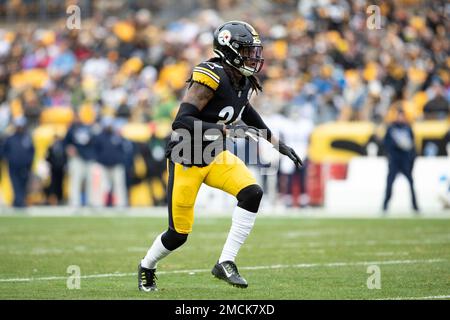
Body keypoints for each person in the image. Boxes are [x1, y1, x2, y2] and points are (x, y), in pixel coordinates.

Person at [138, 21, 303, 292]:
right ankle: (147, 266)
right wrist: (222, 129)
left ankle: (225, 261)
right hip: (187, 157)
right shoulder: (210, 75)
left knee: (252, 192)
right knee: (178, 235)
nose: (254, 57)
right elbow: (181, 121)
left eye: (254, 52)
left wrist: (276, 143)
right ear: (230, 50)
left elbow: (246, 111)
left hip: (215, 156)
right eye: (248, 52)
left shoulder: (243, 80)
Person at [382, 108, 419, 213]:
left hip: (405, 160)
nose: (401, 118)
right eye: (399, 116)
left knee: (411, 183)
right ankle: (385, 205)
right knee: (389, 183)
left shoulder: (408, 128)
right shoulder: (391, 128)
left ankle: (415, 205)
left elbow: (412, 146)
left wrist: (411, 159)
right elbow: (385, 144)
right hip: (394, 160)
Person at [93, 117, 128, 207]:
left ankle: (121, 204)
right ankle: (99, 204)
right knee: (101, 186)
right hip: (103, 165)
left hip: (116, 164)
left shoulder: (117, 136)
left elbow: (124, 148)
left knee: (119, 185)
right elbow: (95, 150)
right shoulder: (99, 137)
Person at [63, 112, 96, 207]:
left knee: (90, 182)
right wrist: (68, 148)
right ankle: (74, 202)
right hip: (77, 158)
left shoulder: (88, 128)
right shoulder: (71, 129)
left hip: (89, 158)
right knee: (75, 180)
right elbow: (65, 143)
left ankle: (91, 202)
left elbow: (94, 143)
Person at [2, 117, 35, 208]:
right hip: (13, 166)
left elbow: (32, 151)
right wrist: (8, 158)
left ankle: (18, 201)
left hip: (25, 166)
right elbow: (3, 151)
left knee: (23, 183)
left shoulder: (27, 138)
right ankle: (19, 202)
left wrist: (29, 162)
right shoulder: (10, 138)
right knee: (15, 183)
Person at [45, 134, 67, 205]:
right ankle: (53, 200)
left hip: (60, 169)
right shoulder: (51, 147)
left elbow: (65, 158)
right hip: (53, 169)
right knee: (53, 185)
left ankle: (59, 199)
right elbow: (47, 158)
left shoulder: (62, 147)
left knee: (59, 185)